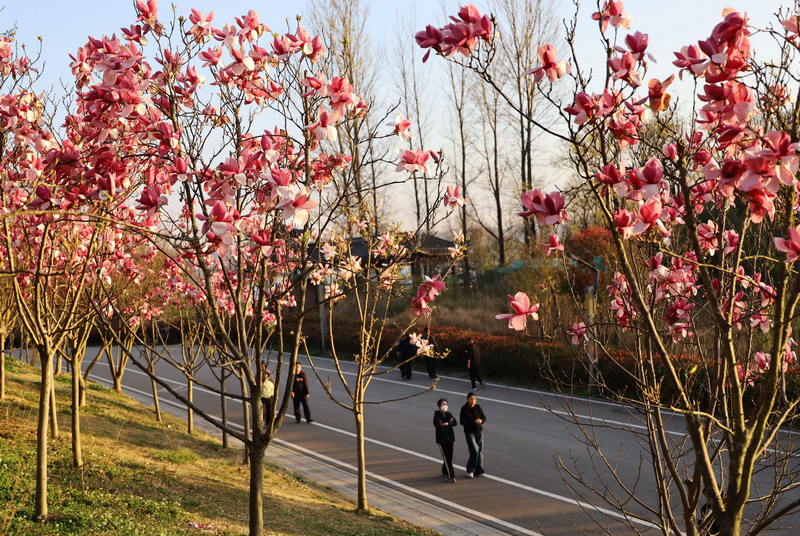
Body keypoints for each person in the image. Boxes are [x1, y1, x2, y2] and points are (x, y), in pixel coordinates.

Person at [459, 392, 487, 478]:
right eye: (471, 399)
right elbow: (462, 421)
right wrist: (473, 422)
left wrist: (481, 421)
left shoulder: (478, 407)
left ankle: (479, 470)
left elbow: (484, 417)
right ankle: (470, 469)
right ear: (468, 399)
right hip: (469, 432)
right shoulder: (464, 409)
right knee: (474, 450)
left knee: (480, 451)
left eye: (474, 399)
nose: (473, 401)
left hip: (479, 431)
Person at [433, 398, 458, 483]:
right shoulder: (436, 416)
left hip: (450, 439)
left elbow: (455, 422)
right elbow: (439, 426)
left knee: (449, 457)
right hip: (442, 440)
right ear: (439, 406)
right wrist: (449, 424)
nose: (445, 406)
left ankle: (444, 471)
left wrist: (448, 423)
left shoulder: (449, 414)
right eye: (443, 404)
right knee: (447, 457)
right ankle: (451, 476)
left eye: (446, 404)